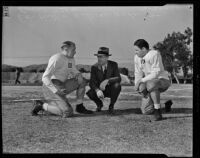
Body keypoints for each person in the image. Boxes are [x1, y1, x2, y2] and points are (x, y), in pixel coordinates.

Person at [31, 41, 93, 117]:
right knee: (67, 112)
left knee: (82, 81)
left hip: (62, 85)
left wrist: (78, 74)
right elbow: (45, 77)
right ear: (66, 49)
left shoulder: (70, 59)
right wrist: (56, 91)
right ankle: (41, 105)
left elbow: (72, 70)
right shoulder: (56, 58)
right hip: (51, 87)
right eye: (73, 49)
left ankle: (79, 106)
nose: (75, 52)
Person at [133, 39, 173, 121]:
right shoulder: (137, 57)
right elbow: (138, 73)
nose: (135, 52)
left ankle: (158, 111)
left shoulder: (154, 54)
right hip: (149, 82)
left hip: (163, 80)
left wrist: (141, 81)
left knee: (151, 84)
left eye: (137, 50)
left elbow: (155, 74)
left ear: (144, 49)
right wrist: (137, 84)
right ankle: (165, 105)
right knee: (146, 111)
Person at [86, 47, 121, 114]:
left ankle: (111, 106)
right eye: (98, 57)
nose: (99, 59)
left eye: (101, 57)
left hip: (111, 90)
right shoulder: (94, 67)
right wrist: (97, 90)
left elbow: (118, 78)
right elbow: (91, 82)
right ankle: (99, 104)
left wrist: (107, 80)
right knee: (90, 93)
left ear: (107, 57)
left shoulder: (113, 65)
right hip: (100, 90)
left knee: (117, 85)